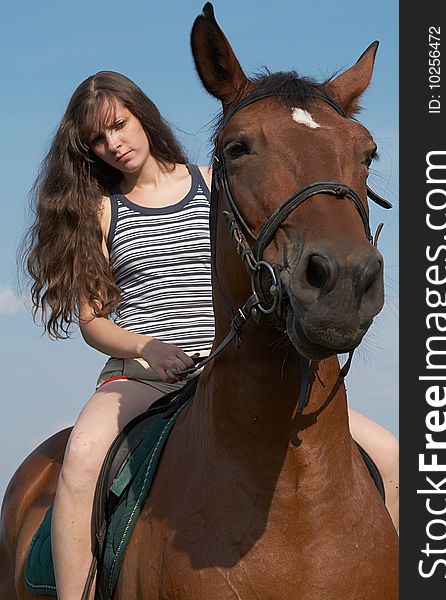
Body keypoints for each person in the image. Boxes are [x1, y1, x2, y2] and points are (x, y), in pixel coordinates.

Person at [23, 71, 398, 599]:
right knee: (84, 453)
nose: (114, 145)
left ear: (142, 116)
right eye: (98, 140)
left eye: (119, 126)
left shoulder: (216, 180)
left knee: (390, 453)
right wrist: (145, 349)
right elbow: (92, 321)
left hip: (227, 367)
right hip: (146, 374)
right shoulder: (102, 211)